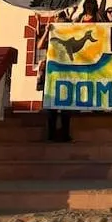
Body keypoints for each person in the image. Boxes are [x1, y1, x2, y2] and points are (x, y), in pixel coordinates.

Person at [36, 9, 73, 142]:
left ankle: (65, 134)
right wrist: (46, 31)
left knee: (65, 107)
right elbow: (40, 46)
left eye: (61, 18)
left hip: (65, 73)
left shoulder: (69, 35)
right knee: (51, 107)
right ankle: (51, 135)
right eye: (57, 18)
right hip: (51, 73)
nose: (58, 20)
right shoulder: (51, 34)